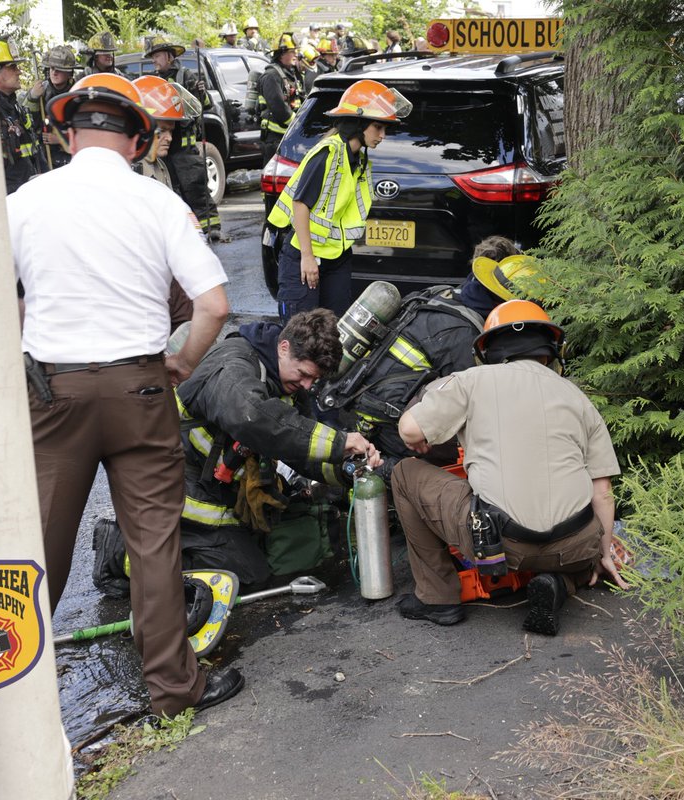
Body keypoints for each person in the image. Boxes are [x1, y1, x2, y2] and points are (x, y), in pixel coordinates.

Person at [6, 72, 241, 717]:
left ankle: (6, 689)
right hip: (141, 386)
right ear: (138, 143)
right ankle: (173, 688)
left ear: (66, 134)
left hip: (54, 390)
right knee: (155, 544)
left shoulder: (24, 199)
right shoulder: (157, 203)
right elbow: (214, 305)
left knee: (37, 545)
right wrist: (180, 365)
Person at [391, 300, 632, 635]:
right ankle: (565, 581)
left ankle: (438, 598)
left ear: (488, 350)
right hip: (574, 547)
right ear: (550, 352)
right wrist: (603, 555)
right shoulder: (577, 397)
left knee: (404, 473)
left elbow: (410, 432)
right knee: (579, 546)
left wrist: (420, 425)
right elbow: (602, 492)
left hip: (498, 544)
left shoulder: (471, 380)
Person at [166, 309, 381, 586]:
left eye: (313, 380)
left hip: (222, 485)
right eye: (303, 374)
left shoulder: (284, 381)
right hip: (180, 487)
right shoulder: (233, 365)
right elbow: (253, 419)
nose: (306, 385)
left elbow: (298, 445)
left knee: (282, 554)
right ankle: (129, 552)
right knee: (246, 576)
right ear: (283, 347)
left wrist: (348, 466)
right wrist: (338, 442)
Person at [318, 237, 534, 467]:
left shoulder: (441, 294)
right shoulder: (465, 336)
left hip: (356, 402)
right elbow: (469, 410)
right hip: (389, 425)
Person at [266, 79, 411, 321]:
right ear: (357, 124)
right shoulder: (328, 154)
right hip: (306, 255)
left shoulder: (358, 161)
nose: (383, 135)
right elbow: (300, 204)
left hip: (336, 257)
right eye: (378, 127)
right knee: (302, 335)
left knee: (332, 330)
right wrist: (308, 257)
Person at [132, 74, 202, 329]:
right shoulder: (132, 171)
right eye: (162, 131)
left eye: (171, 131)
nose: (169, 138)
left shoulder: (158, 165)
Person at [147, 40, 223, 243]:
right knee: (172, 191)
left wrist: (200, 92)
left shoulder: (185, 76)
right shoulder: (153, 81)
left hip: (184, 147)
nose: (154, 60)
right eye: (152, 56)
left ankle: (212, 227)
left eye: (157, 55)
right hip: (164, 148)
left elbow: (203, 106)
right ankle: (184, 231)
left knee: (195, 188)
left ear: (169, 57)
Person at [0, 39, 39, 194]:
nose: (19, 71)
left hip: (27, 195)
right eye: (12, 67)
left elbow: (35, 153)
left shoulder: (15, 108)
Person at [24, 45, 78, 170]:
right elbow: (28, 122)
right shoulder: (41, 91)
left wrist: (60, 139)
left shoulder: (77, 93)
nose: (54, 72)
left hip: (72, 160)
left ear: (69, 72)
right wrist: (33, 98)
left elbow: (85, 132)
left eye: (59, 69)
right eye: (52, 68)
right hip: (47, 159)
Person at [257, 33, 303, 168]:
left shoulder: (290, 74)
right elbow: (279, 109)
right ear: (282, 54)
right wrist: (298, 125)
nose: (295, 54)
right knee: (275, 180)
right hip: (275, 139)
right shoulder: (271, 76)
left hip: (287, 136)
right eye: (292, 52)